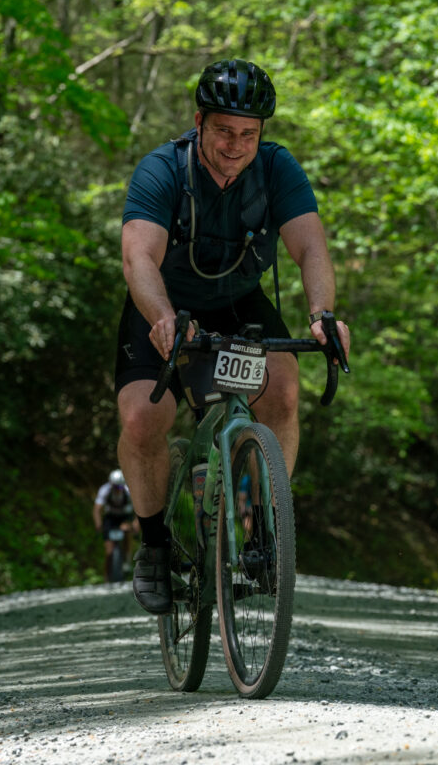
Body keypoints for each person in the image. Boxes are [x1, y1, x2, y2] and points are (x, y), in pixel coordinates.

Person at [114, 58, 351, 614]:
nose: (235, 146)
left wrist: (322, 313)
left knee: (283, 391)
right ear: (199, 121)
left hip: (238, 300)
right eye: (224, 130)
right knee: (142, 418)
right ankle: (154, 546)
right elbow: (138, 257)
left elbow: (310, 247)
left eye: (249, 134)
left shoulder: (277, 168)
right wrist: (163, 317)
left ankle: (261, 528)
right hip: (165, 303)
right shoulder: (161, 170)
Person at [93, 469, 135, 582]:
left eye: (120, 487)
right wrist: (98, 524)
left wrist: (134, 524)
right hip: (110, 518)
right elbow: (97, 509)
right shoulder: (104, 490)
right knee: (109, 551)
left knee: (127, 532)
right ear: (111, 484)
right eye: (115, 487)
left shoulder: (128, 491)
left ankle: (127, 559)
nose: (118, 489)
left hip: (124, 517)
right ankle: (106, 577)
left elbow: (137, 510)